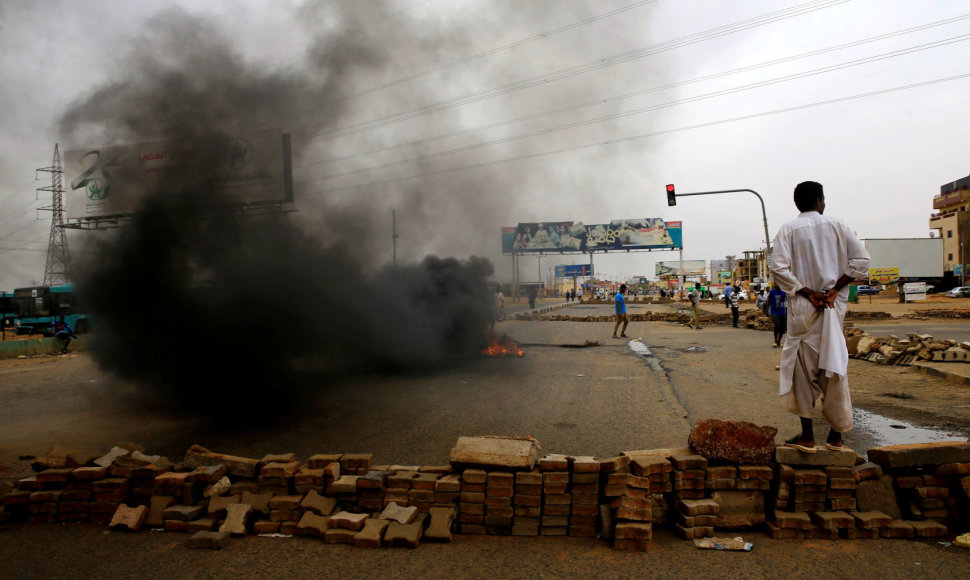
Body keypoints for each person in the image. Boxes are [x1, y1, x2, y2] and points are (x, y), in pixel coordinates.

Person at [770, 180, 870, 453]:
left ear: (797, 204)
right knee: (835, 366)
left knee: (802, 372)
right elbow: (861, 263)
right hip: (832, 309)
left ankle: (808, 436)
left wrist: (807, 292)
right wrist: (834, 289)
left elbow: (778, 268)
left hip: (804, 311)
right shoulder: (839, 225)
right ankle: (836, 437)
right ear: (820, 201)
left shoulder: (787, 229)